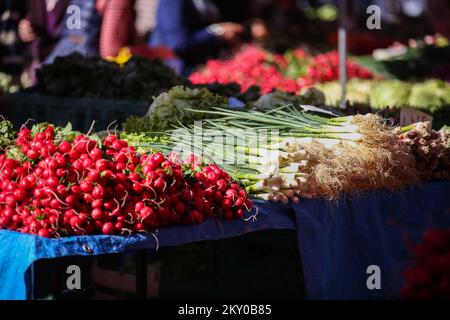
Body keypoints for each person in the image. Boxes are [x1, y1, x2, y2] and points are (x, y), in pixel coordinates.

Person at [148, 0, 268, 74]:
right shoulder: (173, 2)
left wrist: (248, 27)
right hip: (173, 72)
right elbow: (177, 44)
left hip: (199, 68)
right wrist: (217, 31)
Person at [18, 0, 69, 86]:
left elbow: (77, 37)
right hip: (37, 64)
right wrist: (24, 25)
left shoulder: (77, 3)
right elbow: (28, 18)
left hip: (65, 68)